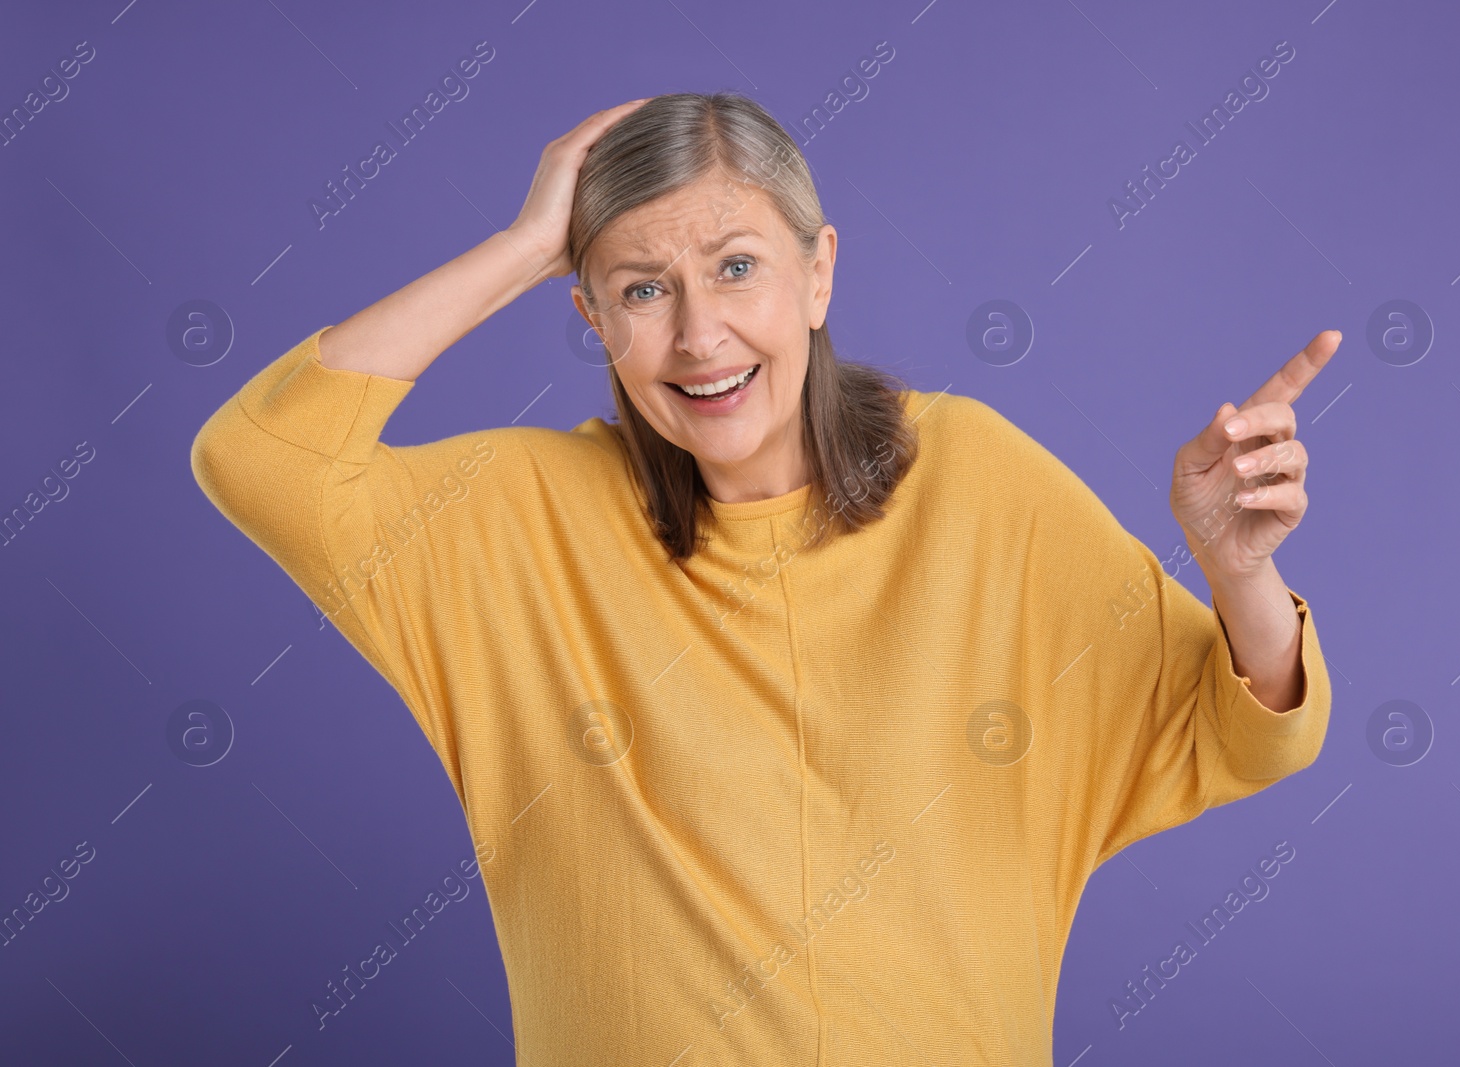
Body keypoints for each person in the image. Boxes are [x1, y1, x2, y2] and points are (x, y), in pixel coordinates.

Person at [190, 91, 1336, 1064]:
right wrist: (528, 245)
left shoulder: (976, 479)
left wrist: (1240, 573)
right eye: (640, 289)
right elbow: (261, 462)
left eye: (736, 267)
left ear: (818, 272)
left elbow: (1236, 728)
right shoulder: (517, 516)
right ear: (588, 316)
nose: (699, 335)